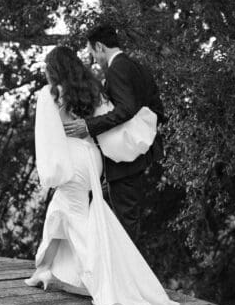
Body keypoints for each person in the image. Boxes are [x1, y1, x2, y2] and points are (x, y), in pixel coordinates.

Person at [26, 46, 178, 305]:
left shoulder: (50, 94)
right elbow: (107, 120)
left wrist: (51, 172)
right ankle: (44, 270)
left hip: (72, 160)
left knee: (76, 219)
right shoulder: (92, 90)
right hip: (91, 159)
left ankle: (105, 282)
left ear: (53, 69)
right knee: (63, 210)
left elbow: (46, 137)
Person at [64, 23, 164, 246]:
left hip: (125, 160)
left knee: (125, 225)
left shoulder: (117, 68)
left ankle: (128, 268)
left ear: (99, 46)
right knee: (122, 219)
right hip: (136, 154)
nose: (93, 59)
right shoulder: (136, 67)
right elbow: (155, 108)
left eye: (92, 53)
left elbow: (126, 109)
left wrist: (89, 126)